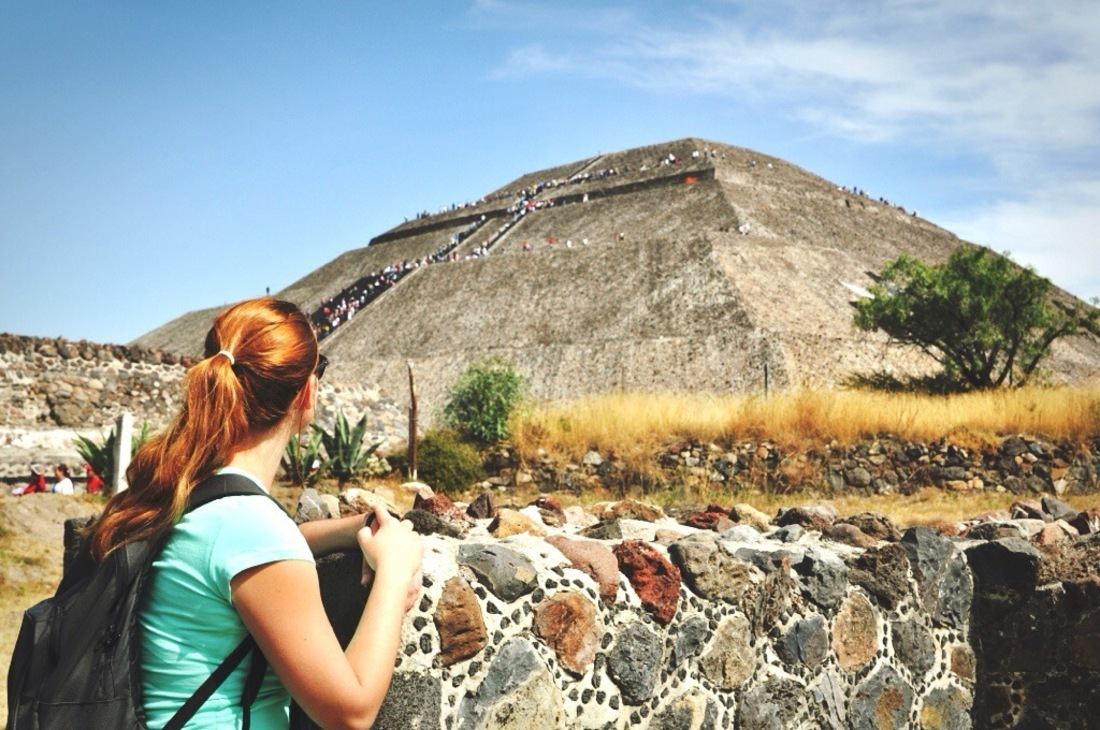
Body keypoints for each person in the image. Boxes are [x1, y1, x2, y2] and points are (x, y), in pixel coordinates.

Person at [87, 297, 423, 729]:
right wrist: (395, 569)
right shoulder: (250, 530)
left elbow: (260, 551)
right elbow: (350, 713)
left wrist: (356, 527)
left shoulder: (188, 490)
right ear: (307, 390)